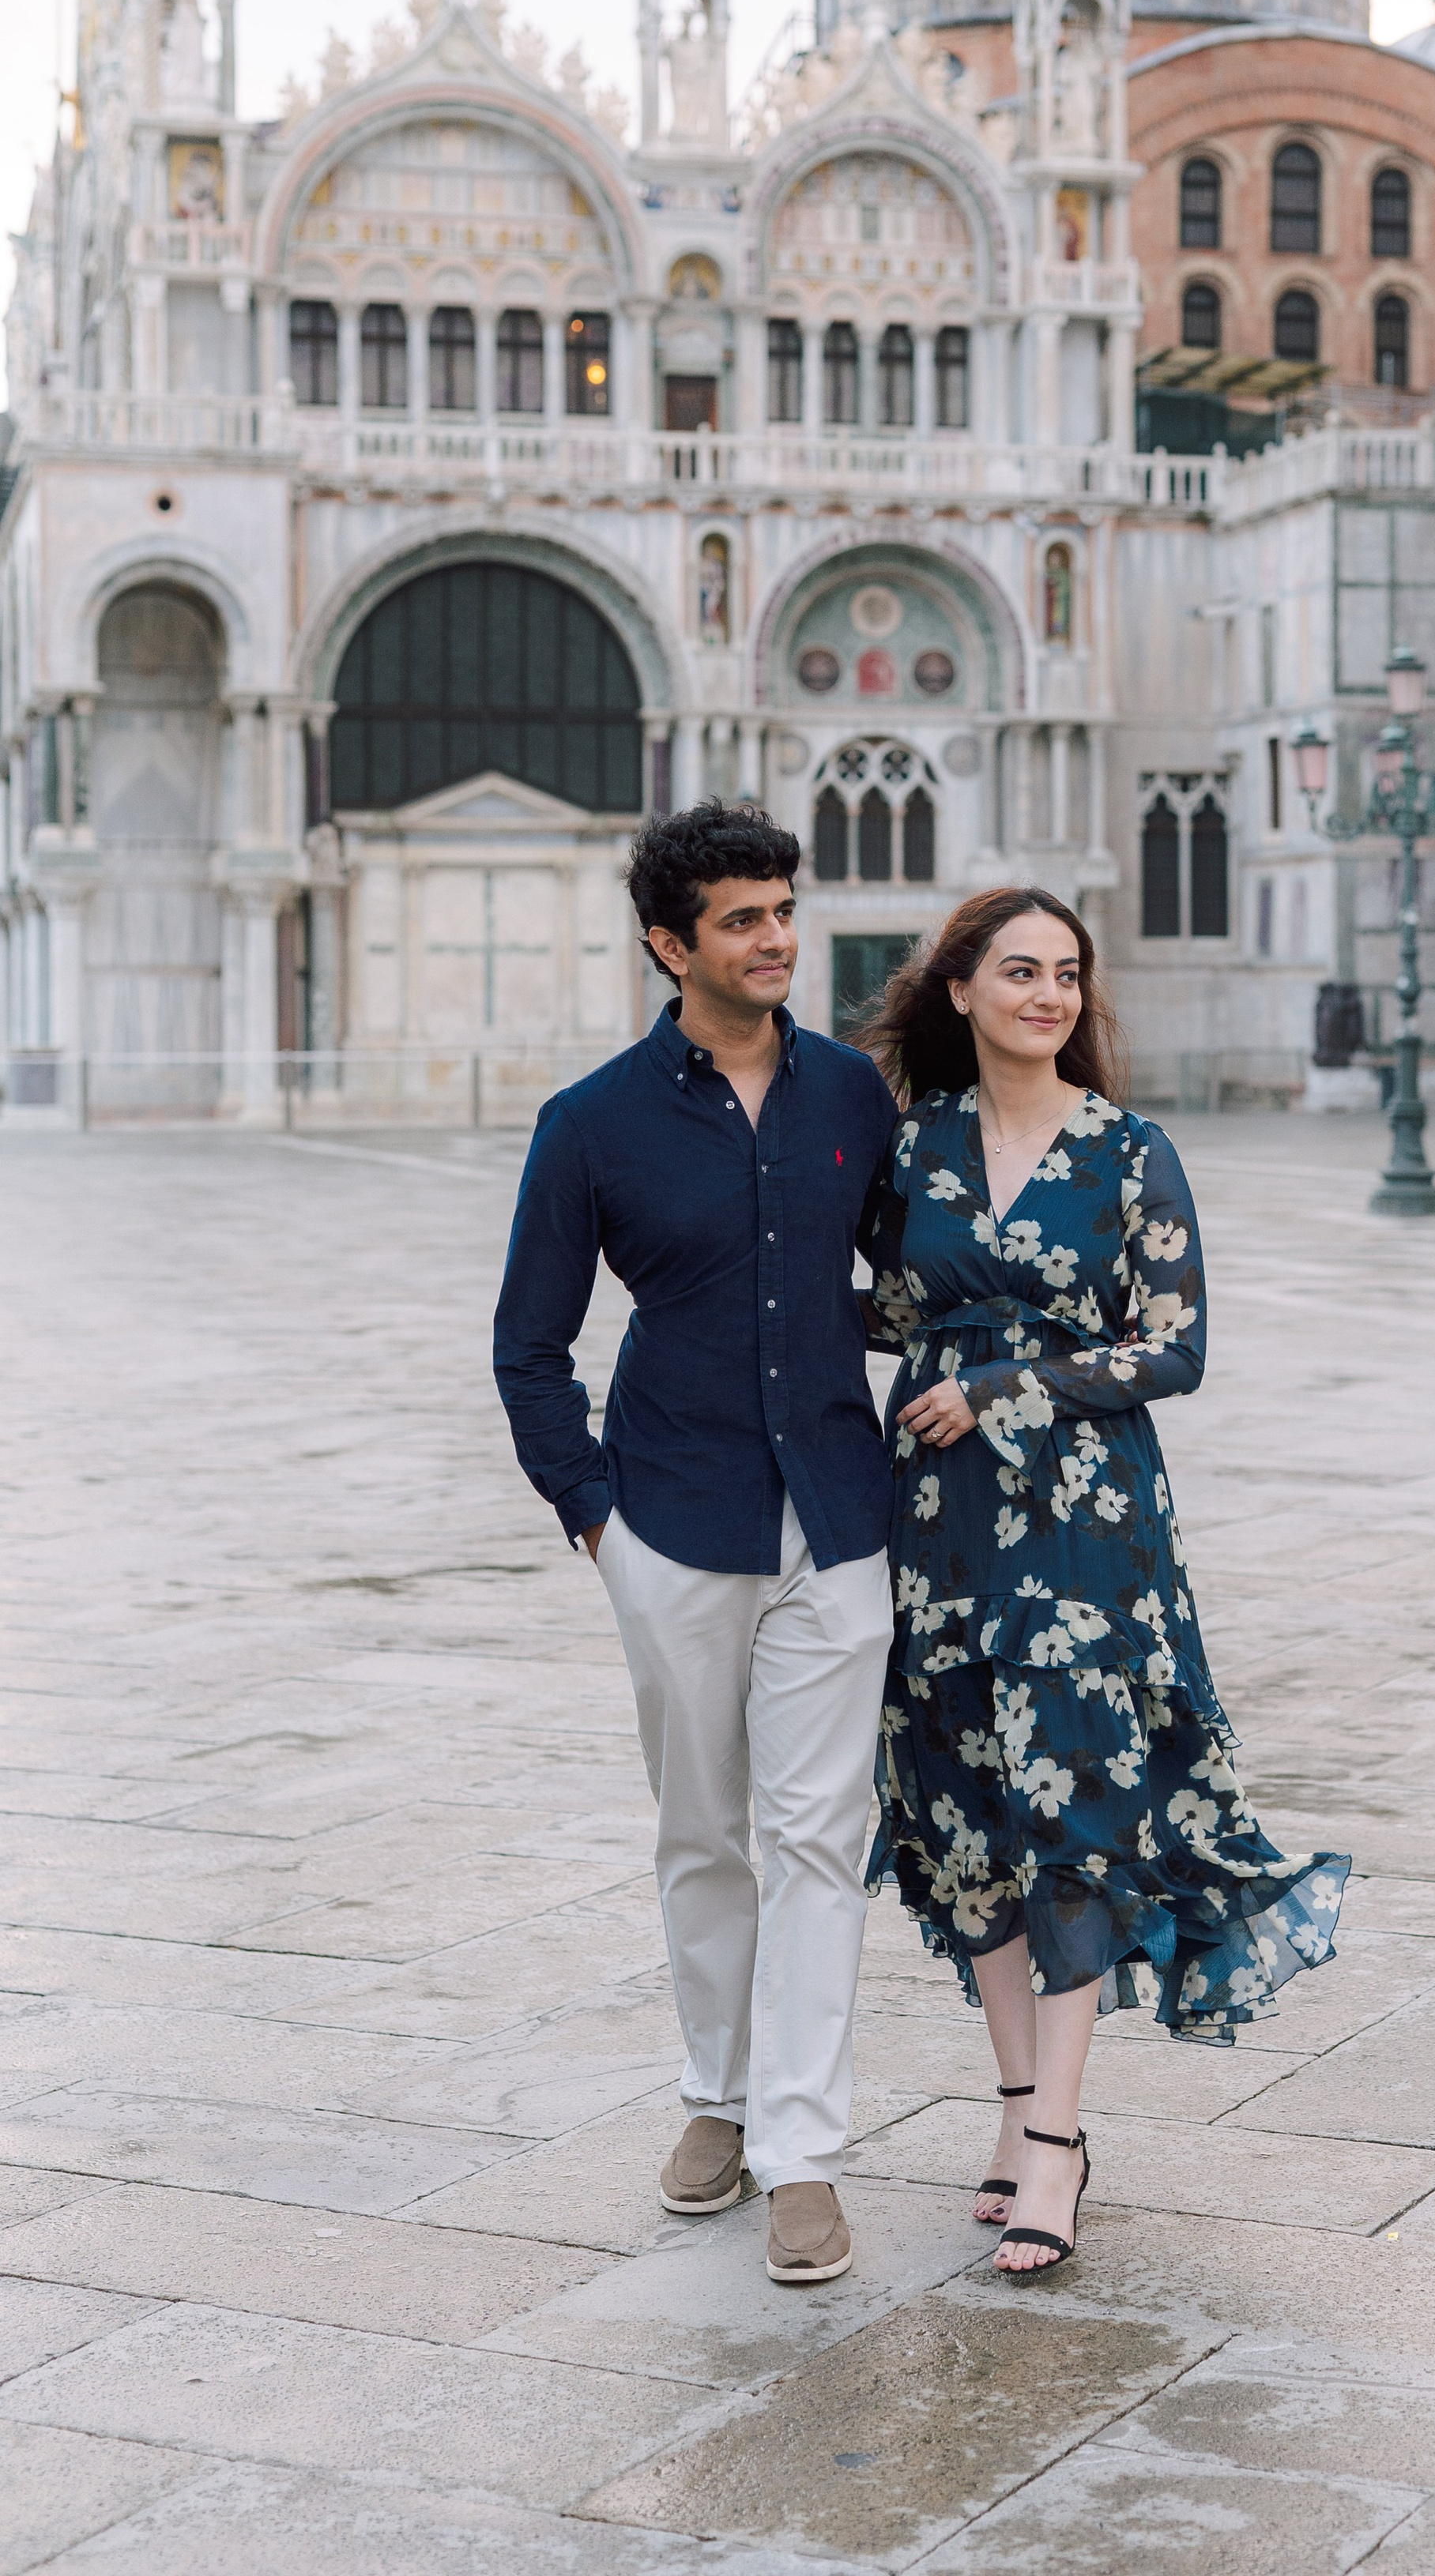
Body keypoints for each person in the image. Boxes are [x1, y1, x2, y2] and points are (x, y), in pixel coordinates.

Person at [857, 886, 1349, 2278]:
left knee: (1073, 1808)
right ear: (960, 989)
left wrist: (1004, 1385)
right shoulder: (916, 1149)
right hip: (942, 1524)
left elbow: (1176, 1348)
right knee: (968, 1811)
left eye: (1067, 974)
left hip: (1087, 1524)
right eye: (1020, 972)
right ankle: (1016, 2106)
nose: (1049, 996)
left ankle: (1057, 2143)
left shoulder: (1131, 1150)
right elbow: (889, 1310)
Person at [492, 799, 896, 2287]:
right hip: (669, 1520)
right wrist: (597, 1521)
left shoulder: (852, 1092)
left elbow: (912, 1281)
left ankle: (802, 2152)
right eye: (744, 919)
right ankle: (715, 2097)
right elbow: (530, 1348)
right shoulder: (591, 1123)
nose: (777, 938)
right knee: (703, 1835)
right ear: (672, 945)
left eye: (785, 909)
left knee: (819, 1841)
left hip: (839, 1523)